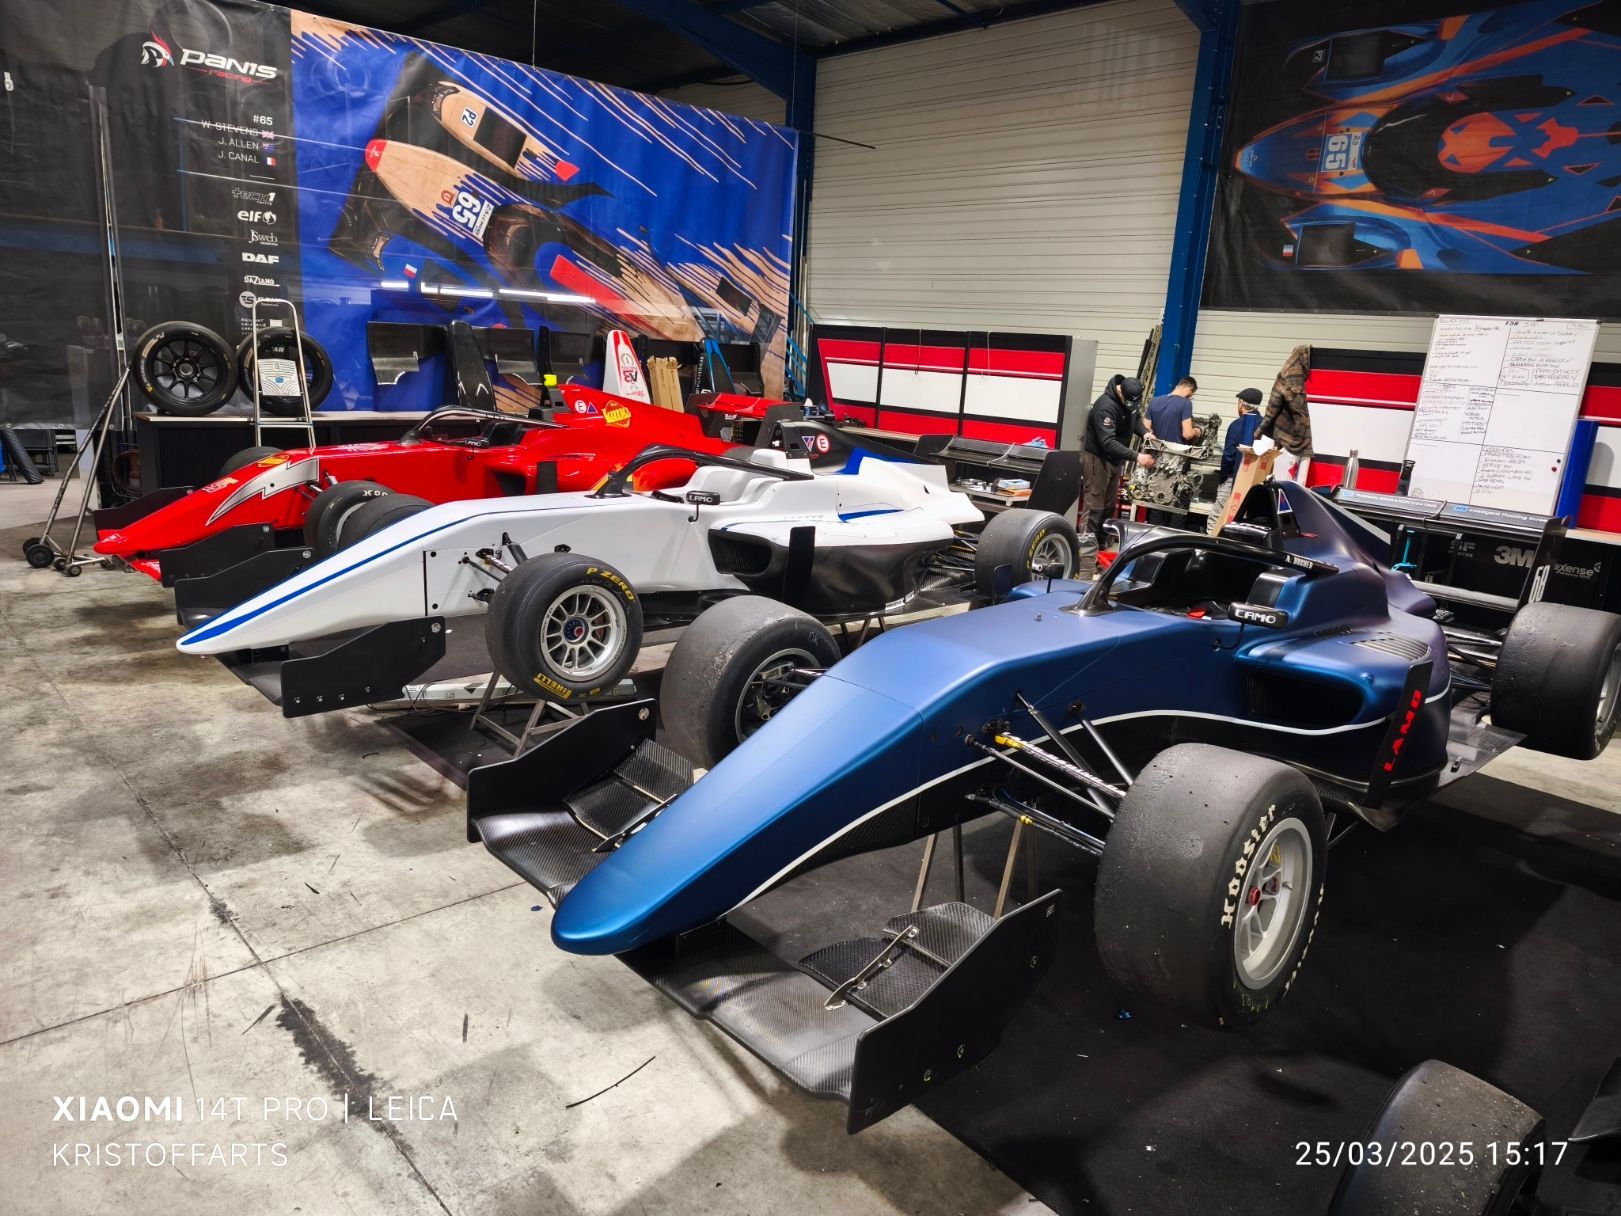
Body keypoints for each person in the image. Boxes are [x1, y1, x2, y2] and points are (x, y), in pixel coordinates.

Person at [1082, 374, 1152, 547]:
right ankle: (1085, 556)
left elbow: (1134, 419)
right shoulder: (1105, 407)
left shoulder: (1131, 399)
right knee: (1094, 507)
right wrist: (1137, 457)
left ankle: (1101, 545)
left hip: (1115, 460)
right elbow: (1107, 443)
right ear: (1120, 392)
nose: (1131, 405)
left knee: (1108, 505)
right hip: (1098, 458)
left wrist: (1145, 433)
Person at [1251, 345, 1313, 483]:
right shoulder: (1293, 375)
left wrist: (1260, 430)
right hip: (1293, 439)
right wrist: (1261, 430)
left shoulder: (1288, 373)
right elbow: (1294, 409)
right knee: (1289, 483)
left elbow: (1273, 405)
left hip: (1285, 437)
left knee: (1277, 481)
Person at [1206, 387, 1263, 535]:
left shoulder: (1238, 425)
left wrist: (1223, 479)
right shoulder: (1266, 426)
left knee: (1217, 518)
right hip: (1256, 483)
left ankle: (1209, 547)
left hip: (1234, 479)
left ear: (1241, 404)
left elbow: (1229, 456)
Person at [1145, 376, 1203, 445]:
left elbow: (1146, 430)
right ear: (1189, 388)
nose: (1189, 397)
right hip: (1175, 453)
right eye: (1191, 395)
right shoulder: (1186, 403)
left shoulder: (1153, 401)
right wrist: (1196, 431)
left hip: (1154, 450)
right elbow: (1187, 435)